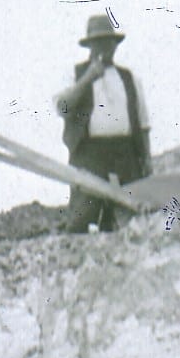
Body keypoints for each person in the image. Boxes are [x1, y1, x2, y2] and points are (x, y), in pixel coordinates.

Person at [56, 15, 151, 233]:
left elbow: (143, 124)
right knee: (83, 216)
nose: (104, 47)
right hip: (90, 155)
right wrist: (88, 78)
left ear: (115, 45)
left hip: (125, 155)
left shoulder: (129, 78)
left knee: (130, 216)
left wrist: (146, 159)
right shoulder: (75, 74)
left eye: (108, 42)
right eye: (98, 42)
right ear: (89, 45)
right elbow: (62, 107)